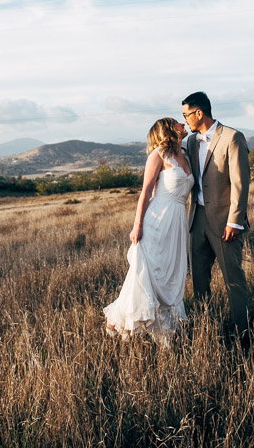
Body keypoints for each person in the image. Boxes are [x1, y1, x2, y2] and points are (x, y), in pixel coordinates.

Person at [104, 117, 194, 344]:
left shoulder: (186, 155)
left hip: (177, 224)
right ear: (168, 129)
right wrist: (138, 225)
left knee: (171, 275)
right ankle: (117, 322)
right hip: (157, 221)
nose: (183, 125)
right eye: (178, 123)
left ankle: (166, 330)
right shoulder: (158, 156)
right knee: (148, 275)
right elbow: (145, 192)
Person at [182, 91, 252, 341]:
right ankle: (206, 329)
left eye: (186, 115)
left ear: (199, 113)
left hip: (225, 222)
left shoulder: (232, 137)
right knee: (199, 280)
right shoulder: (191, 142)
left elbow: (240, 183)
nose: (185, 120)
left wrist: (235, 220)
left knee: (233, 278)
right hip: (196, 220)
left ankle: (242, 331)